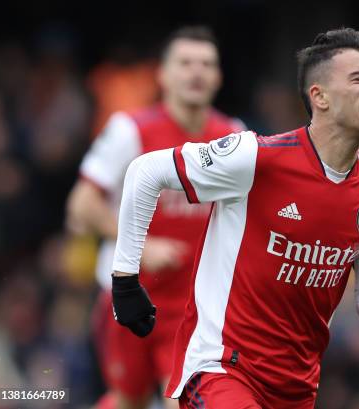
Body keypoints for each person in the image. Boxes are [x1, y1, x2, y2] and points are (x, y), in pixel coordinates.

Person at [110, 28, 359, 408]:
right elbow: (145, 172)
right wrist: (125, 279)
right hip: (223, 369)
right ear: (321, 97)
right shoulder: (256, 157)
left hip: (297, 387)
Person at [66, 26, 244, 409]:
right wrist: (141, 246)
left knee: (179, 399)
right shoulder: (130, 129)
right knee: (127, 400)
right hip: (130, 295)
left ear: (218, 77)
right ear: (161, 75)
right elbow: (81, 205)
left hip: (194, 311)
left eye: (206, 64)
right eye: (185, 63)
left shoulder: (234, 138)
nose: (196, 72)